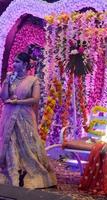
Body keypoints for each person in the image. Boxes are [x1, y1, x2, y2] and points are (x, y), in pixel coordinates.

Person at [0, 52, 57, 189]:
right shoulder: (10, 78)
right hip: (8, 115)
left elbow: (35, 99)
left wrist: (18, 101)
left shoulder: (33, 80)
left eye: (18, 62)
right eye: (14, 61)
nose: (14, 64)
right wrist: (6, 81)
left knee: (27, 145)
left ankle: (27, 172)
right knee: (9, 142)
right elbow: (3, 97)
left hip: (24, 116)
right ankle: (11, 171)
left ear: (25, 64)